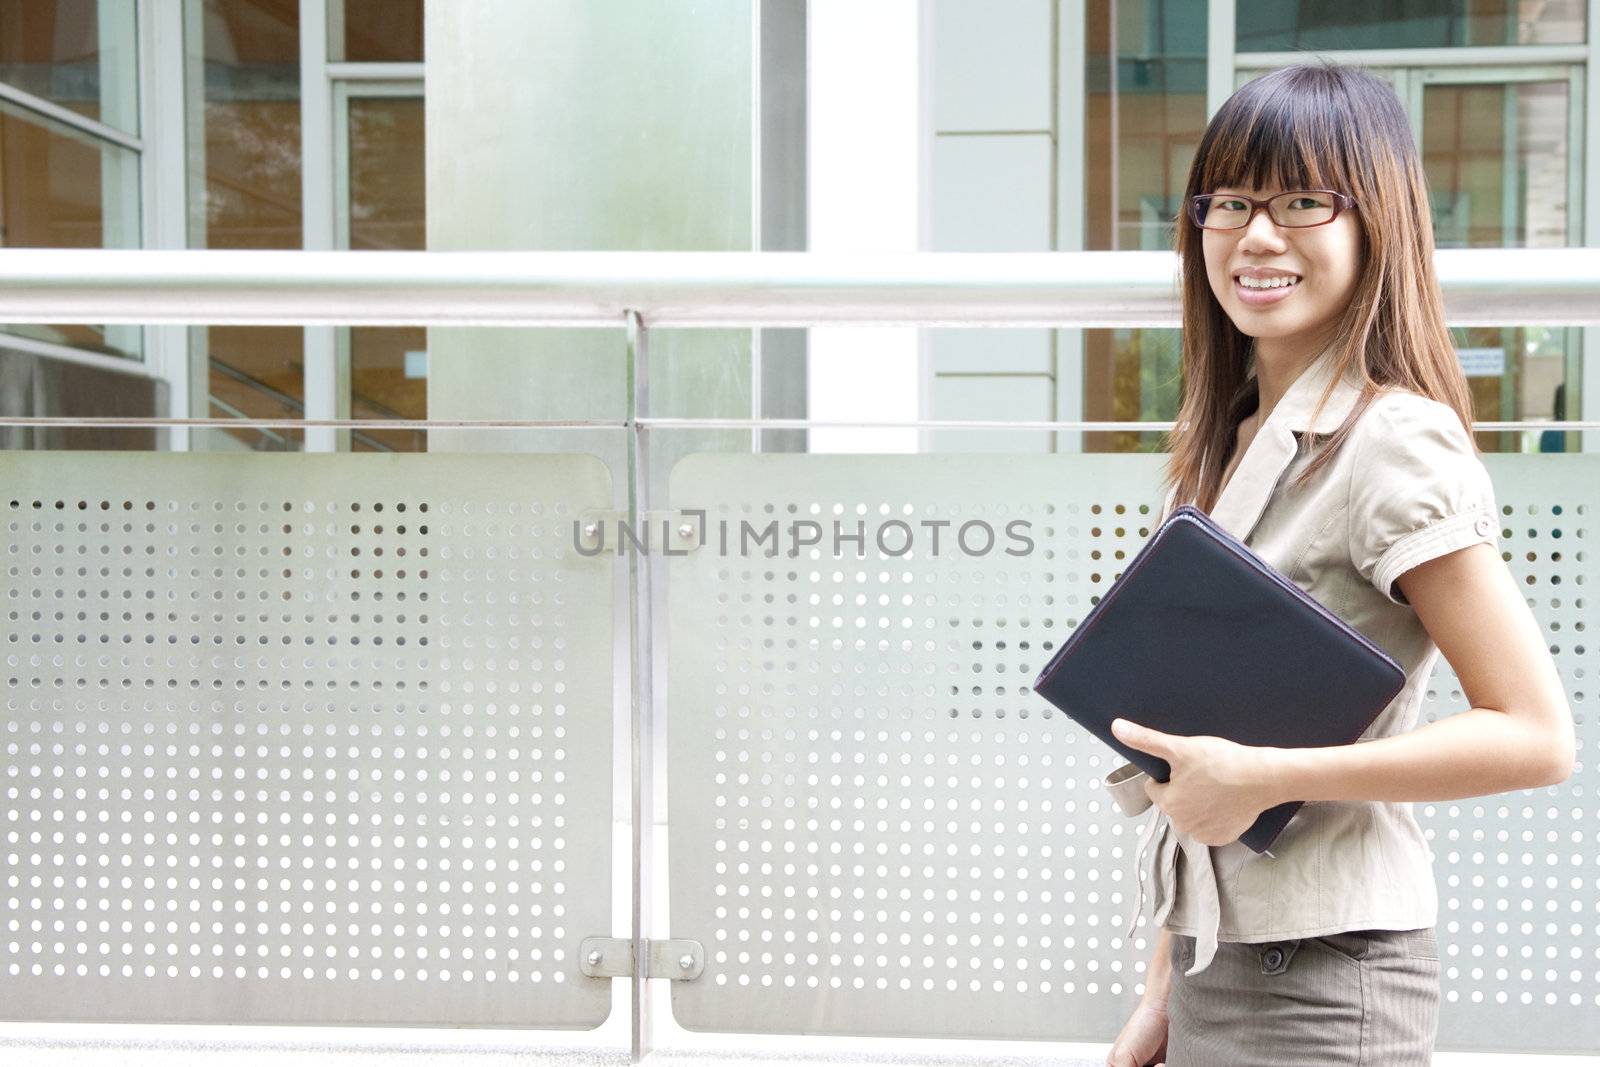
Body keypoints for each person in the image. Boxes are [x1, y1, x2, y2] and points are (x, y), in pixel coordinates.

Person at [1102, 61, 1576, 1067]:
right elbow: (1202, 747)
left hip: (1322, 978)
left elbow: (1535, 735)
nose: (1255, 235)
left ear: (1375, 226)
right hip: (1216, 962)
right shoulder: (1232, 436)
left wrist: (1268, 777)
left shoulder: (1393, 438)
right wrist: (1160, 984)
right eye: (1229, 201)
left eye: (1302, 201)